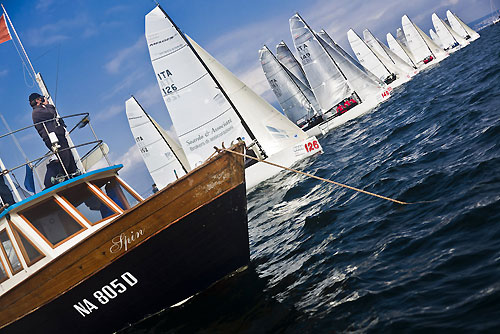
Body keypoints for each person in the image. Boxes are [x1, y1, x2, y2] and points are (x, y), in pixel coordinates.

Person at [29, 93, 78, 180]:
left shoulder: (40, 109)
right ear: (37, 100)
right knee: (64, 155)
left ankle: (74, 173)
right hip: (52, 138)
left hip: (58, 135)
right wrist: (48, 105)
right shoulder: (36, 112)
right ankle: (64, 176)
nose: (42, 99)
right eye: (41, 98)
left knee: (68, 154)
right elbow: (51, 114)